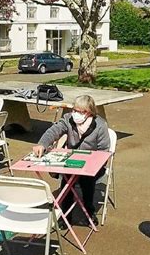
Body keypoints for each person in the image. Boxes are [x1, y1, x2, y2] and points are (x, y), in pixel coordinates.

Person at [32, 95, 110, 228]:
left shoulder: (100, 125)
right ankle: (65, 216)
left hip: (92, 165)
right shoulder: (68, 120)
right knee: (67, 179)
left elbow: (104, 151)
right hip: (71, 163)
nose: (76, 114)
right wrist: (42, 144)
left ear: (89, 112)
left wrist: (92, 164)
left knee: (86, 180)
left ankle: (89, 212)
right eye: (74, 110)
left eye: (80, 111)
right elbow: (54, 131)